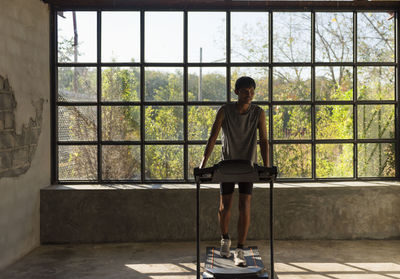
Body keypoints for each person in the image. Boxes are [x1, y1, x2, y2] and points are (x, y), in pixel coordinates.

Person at [199, 76, 270, 267]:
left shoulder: (258, 113)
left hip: (248, 166)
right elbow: (212, 137)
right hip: (228, 165)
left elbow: (264, 140)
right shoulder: (224, 111)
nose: (250, 94)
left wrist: (266, 166)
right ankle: (225, 239)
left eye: (252, 91)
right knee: (225, 206)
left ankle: (240, 249)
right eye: (246, 91)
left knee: (244, 205)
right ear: (237, 92)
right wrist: (203, 163)